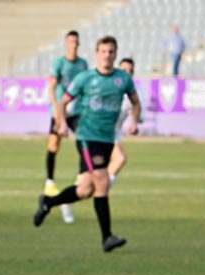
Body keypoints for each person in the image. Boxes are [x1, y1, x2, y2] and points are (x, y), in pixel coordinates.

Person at [33, 36, 141, 252]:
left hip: (107, 139)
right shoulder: (85, 78)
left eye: (111, 52)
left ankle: (48, 202)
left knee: (85, 189)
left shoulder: (123, 79)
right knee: (102, 181)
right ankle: (107, 237)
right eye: (103, 51)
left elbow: (136, 101)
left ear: (115, 54)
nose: (107, 55)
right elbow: (63, 101)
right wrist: (61, 123)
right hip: (87, 137)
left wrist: (134, 120)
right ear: (97, 54)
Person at [44, 31, 88, 224]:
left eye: (76, 43)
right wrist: (55, 109)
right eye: (71, 42)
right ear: (66, 44)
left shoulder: (83, 64)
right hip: (61, 111)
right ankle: (50, 181)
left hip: (77, 111)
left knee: (83, 143)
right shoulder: (59, 63)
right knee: (54, 144)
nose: (74, 45)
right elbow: (51, 86)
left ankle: (80, 178)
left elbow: (85, 87)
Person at [107, 57, 138, 188]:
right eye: (124, 69)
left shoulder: (132, 94)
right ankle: (102, 188)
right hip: (103, 132)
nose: (127, 73)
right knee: (119, 158)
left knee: (90, 176)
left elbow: (135, 109)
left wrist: (134, 124)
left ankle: (60, 201)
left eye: (130, 71)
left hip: (114, 134)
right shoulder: (110, 87)